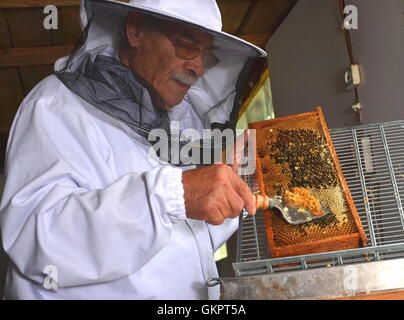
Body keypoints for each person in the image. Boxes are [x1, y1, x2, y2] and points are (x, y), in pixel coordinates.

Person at [0, 0, 266, 299]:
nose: (199, 67)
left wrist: (236, 183)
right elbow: (37, 241)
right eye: (186, 46)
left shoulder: (182, 122)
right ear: (135, 29)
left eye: (206, 55)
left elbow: (184, 242)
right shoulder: (56, 105)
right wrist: (175, 194)